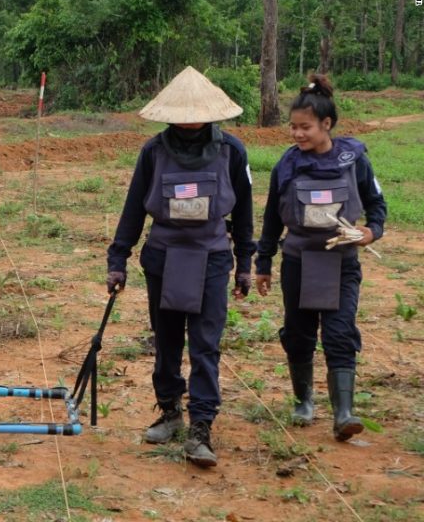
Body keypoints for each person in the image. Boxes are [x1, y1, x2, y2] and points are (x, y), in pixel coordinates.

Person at [106, 66, 254, 468]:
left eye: (196, 112)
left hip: (210, 257)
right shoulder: (153, 152)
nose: (189, 119)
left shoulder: (232, 152)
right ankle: (170, 411)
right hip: (164, 258)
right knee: (167, 339)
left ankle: (201, 426)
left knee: (205, 344)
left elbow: (243, 211)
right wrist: (117, 259)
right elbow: (134, 206)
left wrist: (245, 262)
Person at [255, 74, 385, 441]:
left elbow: (377, 206)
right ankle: (303, 400)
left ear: (327, 124)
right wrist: (263, 263)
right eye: (293, 127)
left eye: (305, 127)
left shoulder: (354, 160)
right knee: (298, 334)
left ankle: (344, 413)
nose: (297, 134)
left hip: (341, 263)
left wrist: (370, 232)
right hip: (298, 260)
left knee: (340, 332)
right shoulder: (287, 165)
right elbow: (271, 217)